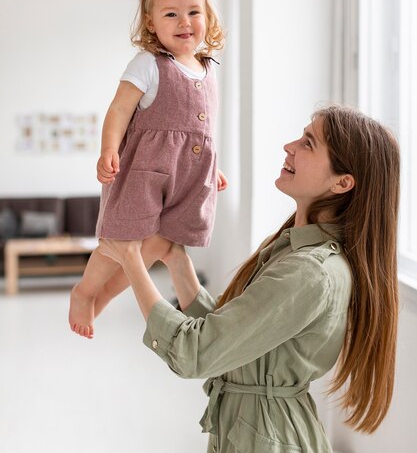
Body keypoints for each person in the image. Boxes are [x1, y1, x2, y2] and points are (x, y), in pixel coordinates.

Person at [97, 105, 400, 453]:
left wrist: (132, 260)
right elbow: (228, 337)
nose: (290, 146)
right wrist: (176, 259)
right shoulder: (290, 250)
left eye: (308, 143)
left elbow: (194, 354)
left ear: (342, 183)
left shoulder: (310, 271)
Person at [69, 0, 228, 339]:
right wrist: (108, 149)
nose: (184, 22)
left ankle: (104, 295)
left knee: (156, 248)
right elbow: (119, 110)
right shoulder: (148, 64)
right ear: (151, 23)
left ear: (207, 15)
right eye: (171, 14)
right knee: (119, 241)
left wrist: (209, 166)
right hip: (143, 169)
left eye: (193, 11)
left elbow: (199, 131)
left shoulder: (207, 69)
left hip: (187, 179)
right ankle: (85, 290)